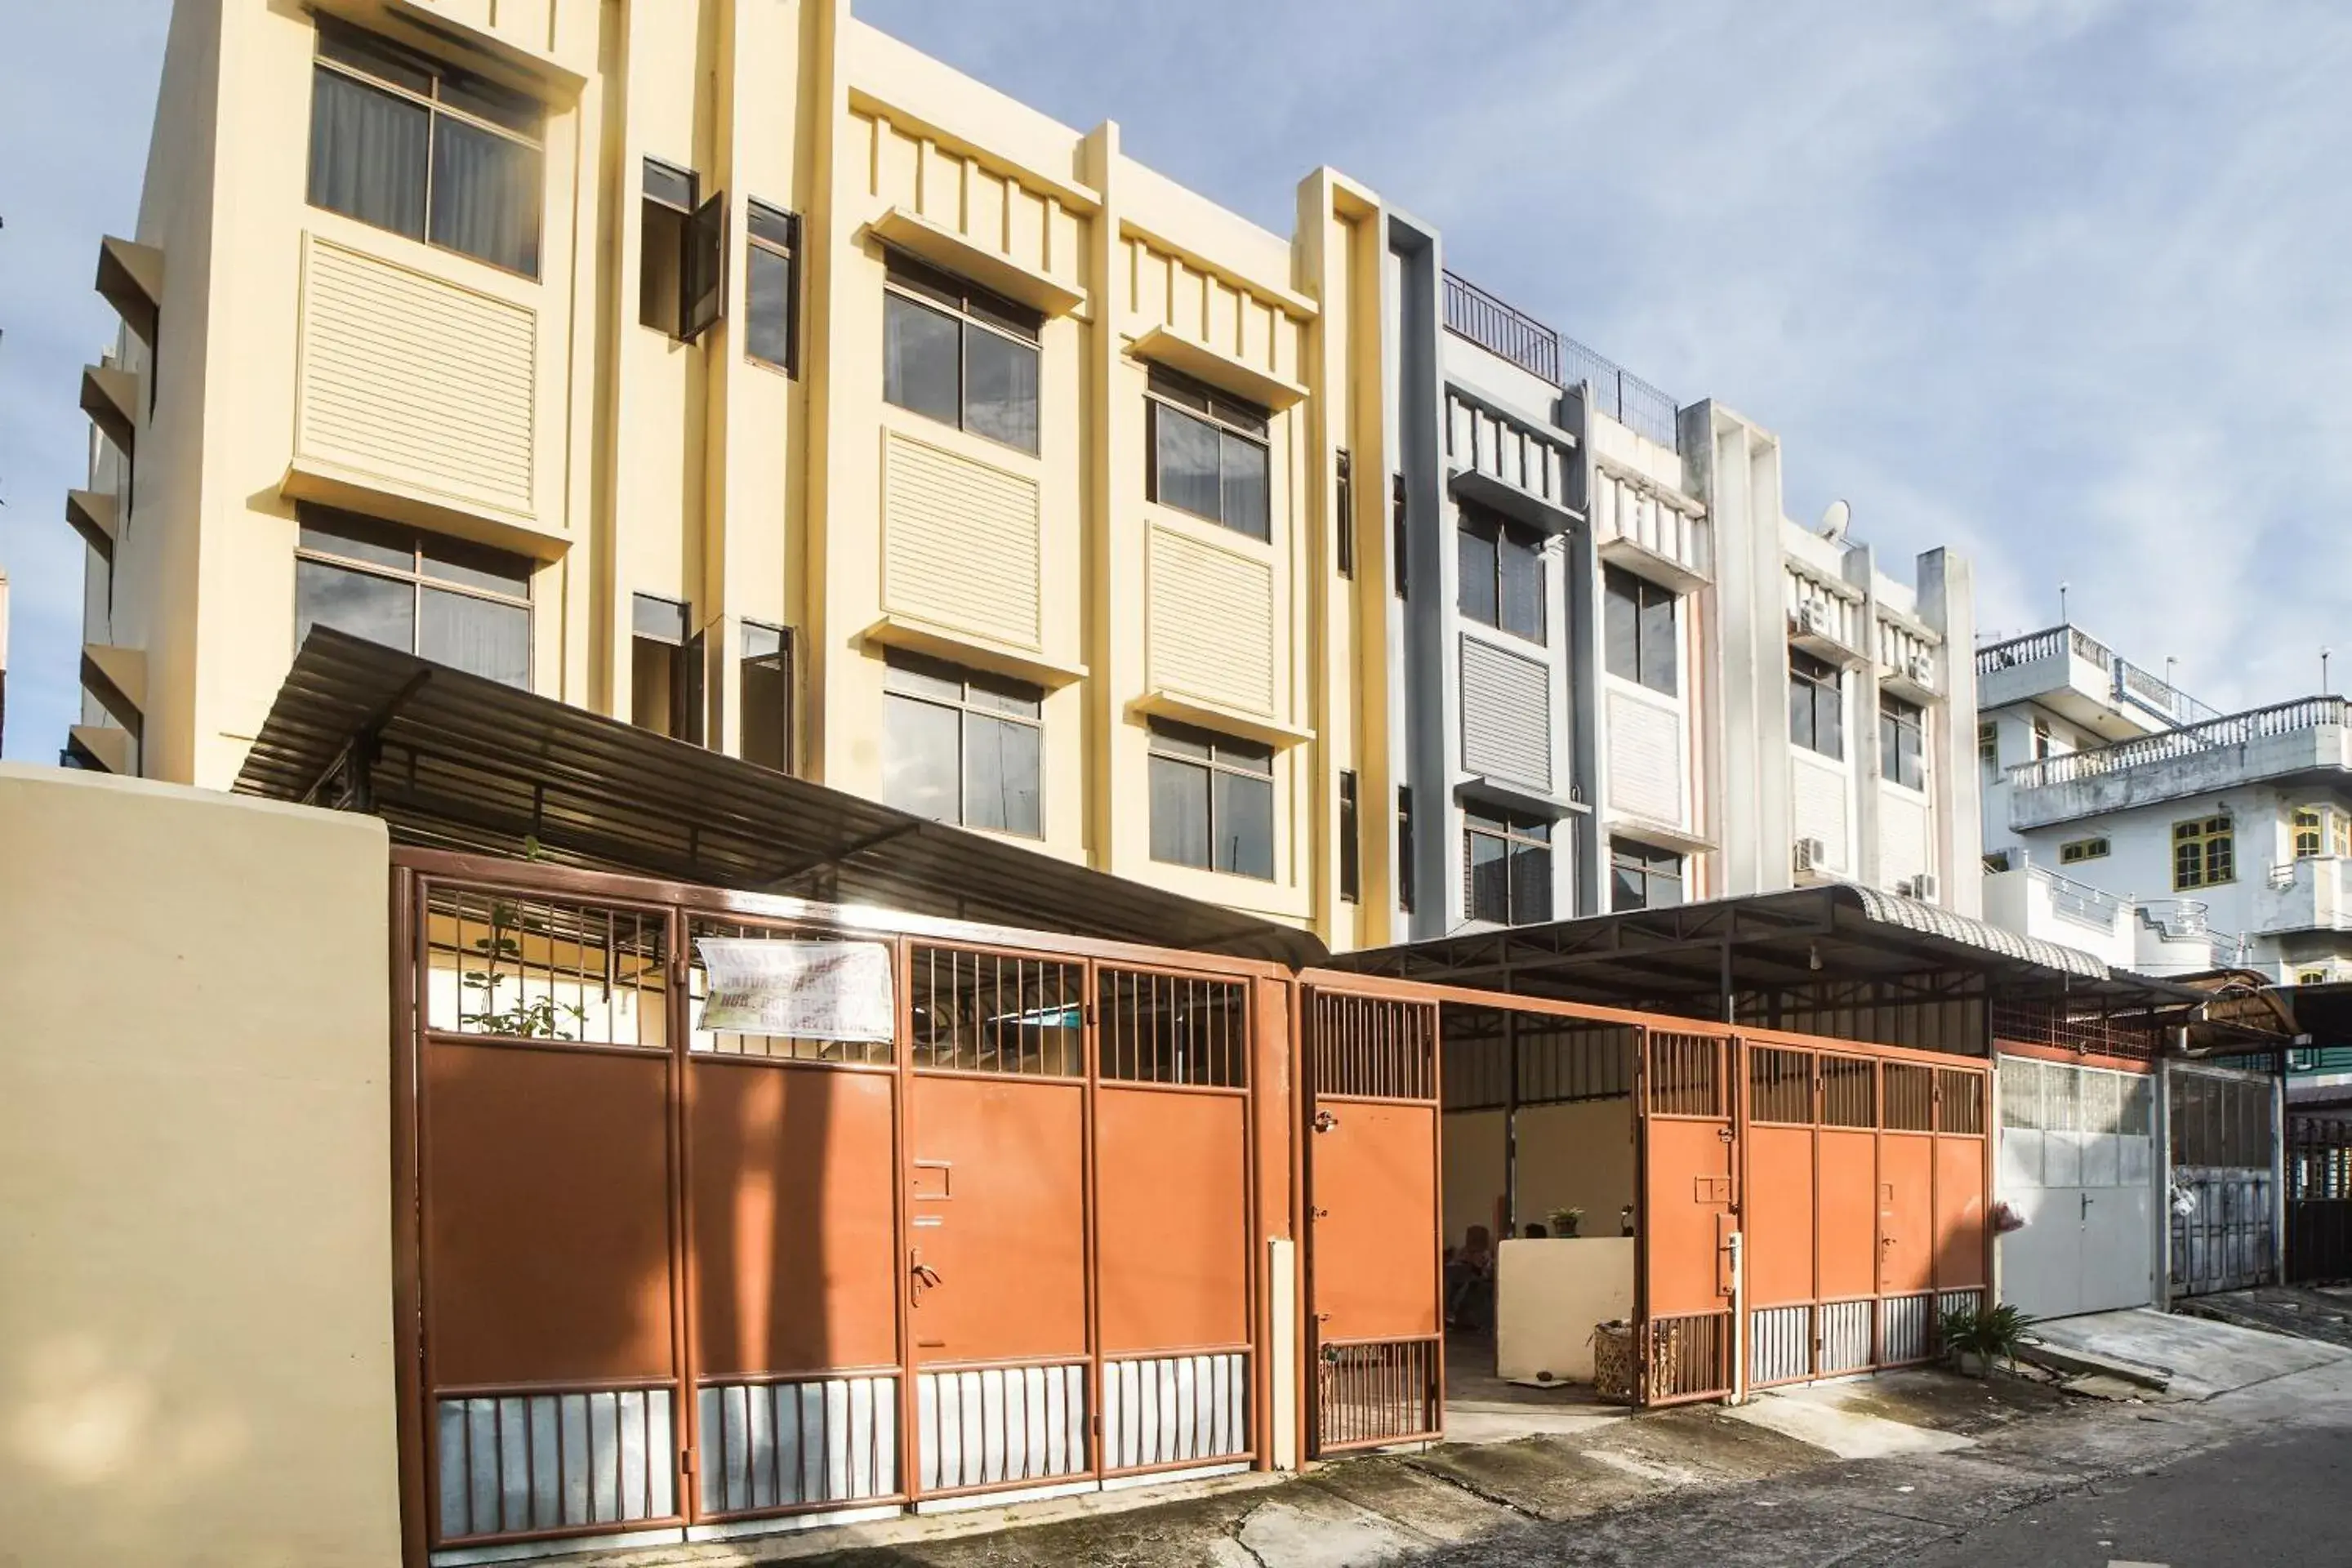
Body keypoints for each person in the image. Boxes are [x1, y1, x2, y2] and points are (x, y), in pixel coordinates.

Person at [1444, 1225, 1495, 1331]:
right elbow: (1454, 1266)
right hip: (1463, 1281)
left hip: (1477, 1284)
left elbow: (1487, 1272)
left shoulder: (1487, 1256)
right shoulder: (1463, 1254)